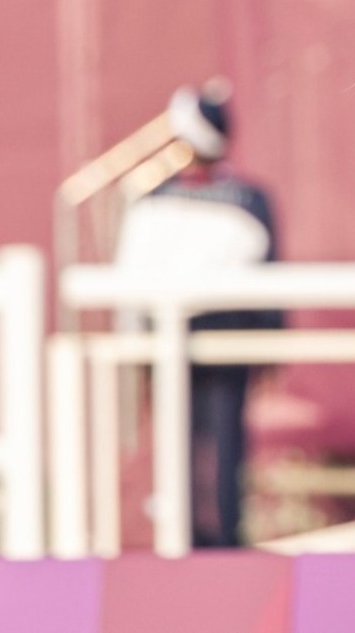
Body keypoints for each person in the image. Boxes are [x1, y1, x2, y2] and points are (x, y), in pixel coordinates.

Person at [113, 80, 281, 546]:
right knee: (191, 443)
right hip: (191, 339)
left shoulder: (163, 200)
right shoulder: (246, 199)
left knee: (219, 442)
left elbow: (269, 280)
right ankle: (197, 537)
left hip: (224, 338)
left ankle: (215, 538)